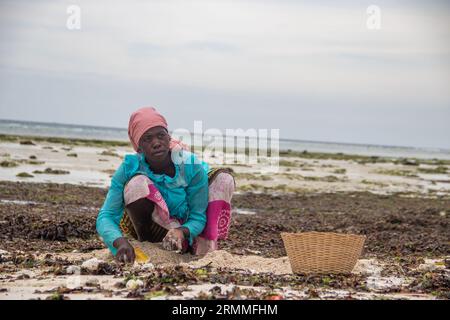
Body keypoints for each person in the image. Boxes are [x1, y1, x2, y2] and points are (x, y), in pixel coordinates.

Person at [96, 107, 235, 263]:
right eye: (147, 138)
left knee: (224, 179)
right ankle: (148, 242)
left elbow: (198, 216)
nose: (156, 143)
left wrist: (182, 231)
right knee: (136, 184)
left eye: (161, 135)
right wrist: (119, 242)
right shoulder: (129, 167)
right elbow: (106, 216)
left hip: (188, 229)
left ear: (169, 138)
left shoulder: (190, 164)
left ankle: (203, 245)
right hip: (152, 227)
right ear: (138, 146)